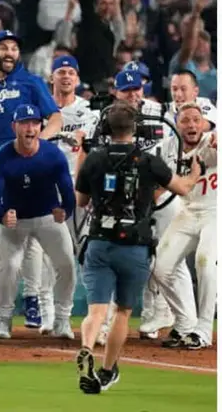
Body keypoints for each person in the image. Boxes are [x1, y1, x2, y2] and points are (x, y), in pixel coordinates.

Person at [74, 101, 204, 393]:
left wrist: (81, 155)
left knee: (96, 312)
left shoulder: (94, 159)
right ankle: (107, 370)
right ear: (135, 128)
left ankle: (86, 347)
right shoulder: (148, 161)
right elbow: (182, 188)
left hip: (99, 242)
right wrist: (194, 172)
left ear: (107, 128)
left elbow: (81, 202)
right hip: (134, 246)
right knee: (122, 312)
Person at [0, 30, 61, 329]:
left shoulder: (30, 82)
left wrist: (37, 144)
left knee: (31, 239)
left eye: (15, 48)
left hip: (30, 171)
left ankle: (31, 301)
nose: (9, 53)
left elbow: (55, 118)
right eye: (3, 47)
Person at [0, 105, 77, 340]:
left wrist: (64, 211)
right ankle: (3, 321)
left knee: (66, 264)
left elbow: (67, 190)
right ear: (14, 127)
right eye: (24, 123)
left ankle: (62, 320)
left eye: (35, 123)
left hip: (47, 216)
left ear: (40, 127)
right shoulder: (1, 157)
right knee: (9, 267)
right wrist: (2, 215)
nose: (30, 128)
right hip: (16, 221)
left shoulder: (53, 155)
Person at [40, 56, 100, 335]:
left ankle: (92, 319)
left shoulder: (89, 110)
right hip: (45, 189)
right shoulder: (40, 109)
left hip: (78, 190)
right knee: (47, 256)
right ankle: (47, 315)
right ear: (52, 77)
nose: (66, 77)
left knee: (84, 254)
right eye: (61, 72)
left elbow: (89, 145)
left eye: (71, 72)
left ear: (77, 79)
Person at [151, 103, 217, 350]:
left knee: (205, 262)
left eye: (196, 120)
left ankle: (203, 329)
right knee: (161, 266)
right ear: (177, 125)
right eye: (185, 120)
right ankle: (185, 323)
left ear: (203, 123)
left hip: (215, 211)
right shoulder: (166, 148)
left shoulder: (213, 140)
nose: (191, 125)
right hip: (188, 212)